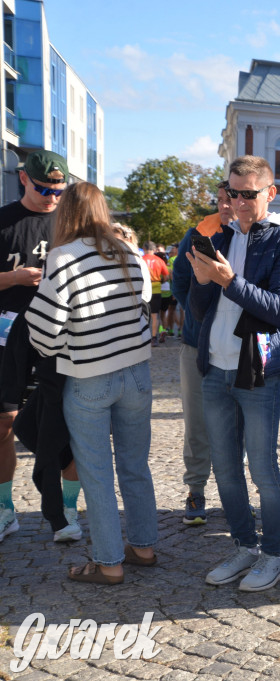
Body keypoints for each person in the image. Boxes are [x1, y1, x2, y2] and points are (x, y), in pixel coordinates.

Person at [25, 182, 156, 584]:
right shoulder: (128, 251)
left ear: (66, 213)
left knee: (97, 472)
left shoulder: (63, 258)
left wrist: (69, 342)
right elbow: (144, 306)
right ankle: (144, 547)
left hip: (89, 375)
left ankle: (108, 563)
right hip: (136, 372)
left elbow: (44, 334)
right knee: (135, 465)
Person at [188, 155, 280, 592]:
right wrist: (203, 281)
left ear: (269, 194)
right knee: (225, 468)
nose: (237, 202)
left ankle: (274, 555)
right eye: (232, 193)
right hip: (214, 370)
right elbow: (198, 311)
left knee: (261, 468)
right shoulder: (217, 234)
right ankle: (244, 546)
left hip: (255, 374)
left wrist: (228, 280)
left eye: (248, 194)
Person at [0, 150, 80, 544]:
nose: (51, 197)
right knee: (4, 425)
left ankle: (68, 509)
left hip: (59, 342)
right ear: (22, 179)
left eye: (58, 190)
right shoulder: (3, 221)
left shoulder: (70, 225)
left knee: (68, 427)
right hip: (6, 339)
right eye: (43, 188)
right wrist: (13, 277)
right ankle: (5, 509)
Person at [172, 180, 233, 525]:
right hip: (196, 346)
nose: (226, 205)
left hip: (235, 349)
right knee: (197, 423)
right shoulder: (198, 234)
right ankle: (195, 490)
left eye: (232, 199)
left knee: (233, 425)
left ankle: (233, 494)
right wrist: (199, 314)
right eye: (222, 200)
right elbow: (179, 279)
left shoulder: (248, 236)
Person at [141, 242, 168, 346]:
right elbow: (166, 277)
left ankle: (143, 336)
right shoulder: (160, 260)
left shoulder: (140, 259)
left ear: (144, 248)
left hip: (142, 289)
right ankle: (153, 338)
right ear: (154, 249)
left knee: (142, 314)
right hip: (156, 288)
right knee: (154, 315)